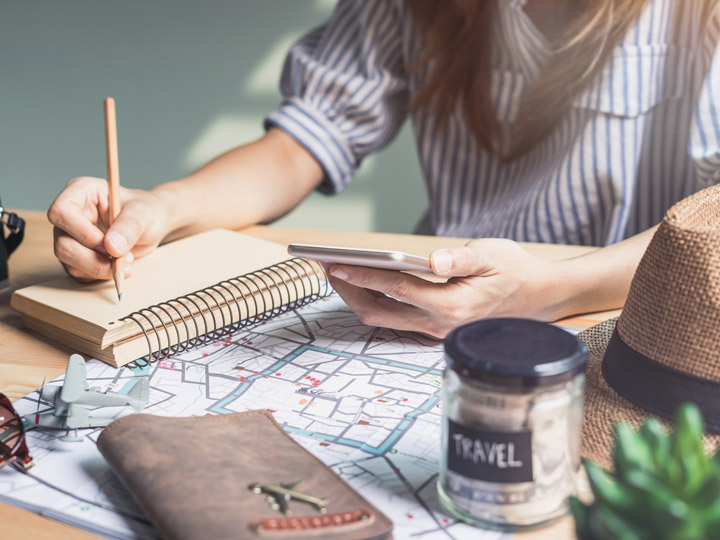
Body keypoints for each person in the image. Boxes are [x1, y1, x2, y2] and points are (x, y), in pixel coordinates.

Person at [48, 0, 719, 339]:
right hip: (443, 311)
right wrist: (161, 207)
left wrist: (553, 289)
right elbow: (300, 144)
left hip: (633, 319)